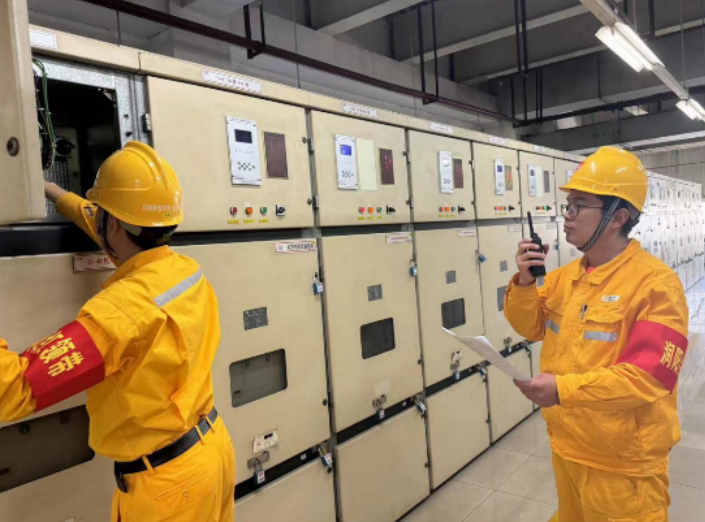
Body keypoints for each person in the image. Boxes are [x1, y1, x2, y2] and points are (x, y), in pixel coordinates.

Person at [0, 142, 235, 521]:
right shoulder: (184, 271)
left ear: (114, 224)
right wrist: (51, 190)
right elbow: (108, 225)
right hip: (210, 452)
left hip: (167, 490)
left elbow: (13, 390)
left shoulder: (117, 315)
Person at [504, 147, 688, 522]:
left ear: (618, 216)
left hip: (623, 465)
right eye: (568, 205)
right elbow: (529, 327)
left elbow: (648, 377)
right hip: (568, 447)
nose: (567, 215)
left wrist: (562, 390)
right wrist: (524, 282)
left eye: (579, 205)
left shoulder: (656, 285)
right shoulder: (567, 278)